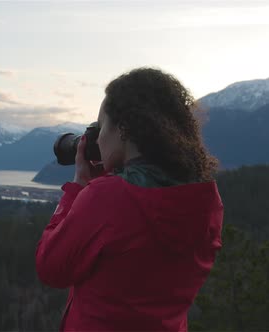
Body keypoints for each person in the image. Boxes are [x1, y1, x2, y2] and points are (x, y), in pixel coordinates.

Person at [35, 67, 224, 331]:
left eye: (101, 126)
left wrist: (78, 188)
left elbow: (50, 267)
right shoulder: (205, 200)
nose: (97, 138)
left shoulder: (105, 198)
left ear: (122, 129)